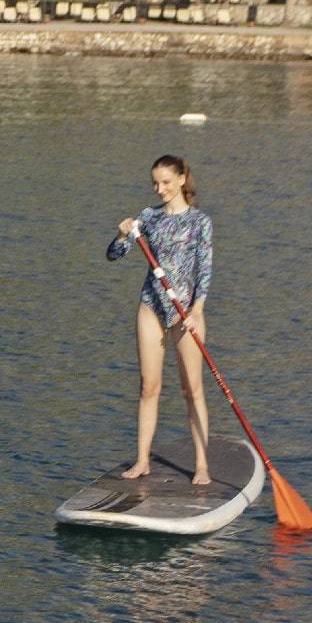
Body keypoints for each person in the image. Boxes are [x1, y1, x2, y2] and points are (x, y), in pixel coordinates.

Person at [109, 153, 216, 485]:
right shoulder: (148, 218)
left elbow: (205, 271)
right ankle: (142, 460)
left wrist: (197, 311)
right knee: (149, 387)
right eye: (155, 183)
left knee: (192, 389)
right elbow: (114, 255)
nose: (160, 189)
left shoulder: (201, 222)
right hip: (151, 307)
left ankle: (201, 465)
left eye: (166, 182)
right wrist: (124, 235)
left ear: (182, 179)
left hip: (187, 313)